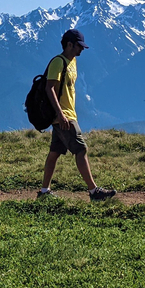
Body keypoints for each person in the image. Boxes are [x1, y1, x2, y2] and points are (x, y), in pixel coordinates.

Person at [38, 29, 117, 201]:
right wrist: (60, 114)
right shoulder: (58, 62)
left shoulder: (72, 61)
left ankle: (44, 192)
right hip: (64, 116)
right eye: (78, 46)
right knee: (81, 149)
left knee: (55, 152)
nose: (81, 50)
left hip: (67, 114)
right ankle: (94, 192)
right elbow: (49, 88)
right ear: (69, 44)